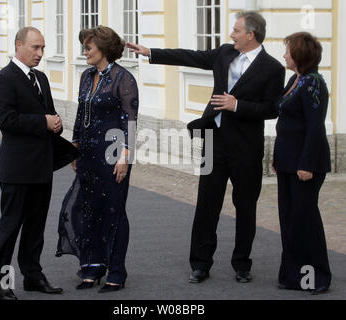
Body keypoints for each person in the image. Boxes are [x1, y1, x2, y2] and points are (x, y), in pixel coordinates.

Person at [127, 11, 285, 284]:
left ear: (251, 35)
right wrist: (150, 52)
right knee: (206, 205)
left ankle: (241, 264)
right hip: (213, 140)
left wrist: (238, 106)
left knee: (245, 207)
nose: (231, 34)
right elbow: (191, 56)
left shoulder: (273, 68)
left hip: (246, 147)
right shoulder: (224, 53)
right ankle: (200, 263)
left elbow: (272, 109)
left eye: (236, 30)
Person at [0, 27, 76, 299]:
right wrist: (44, 122)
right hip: (16, 170)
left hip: (42, 167)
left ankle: (33, 277)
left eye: (43, 48)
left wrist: (56, 123)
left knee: (35, 228)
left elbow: (47, 114)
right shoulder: (3, 79)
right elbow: (6, 120)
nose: (40, 53)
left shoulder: (41, 78)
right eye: (35, 48)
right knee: (10, 228)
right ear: (18, 46)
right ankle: (2, 284)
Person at [56, 26, 139, 293]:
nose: (85, 52)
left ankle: (116, 272)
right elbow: (81, 114)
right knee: (87, 209)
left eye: (88, 47)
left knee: (113, 212)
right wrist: (75, 147)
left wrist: (125, 157)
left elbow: (131, 122)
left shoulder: (123, 78)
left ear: (103, 49)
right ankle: (91, 267)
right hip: (88, 155)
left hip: (114, 155)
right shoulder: (85, 75)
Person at [272, 32, 332, 295]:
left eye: (288, 51)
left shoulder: (314, 83)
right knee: (288, 220)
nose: (284, 55)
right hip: (287, 163)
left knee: (304, 221)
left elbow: (315, 128)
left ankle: (315, 278)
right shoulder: (294, 80)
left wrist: (306, 165)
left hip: (306, 165)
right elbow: (284, 120)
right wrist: (277, 159)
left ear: (300, 55)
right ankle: (292, 276)